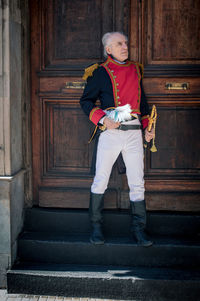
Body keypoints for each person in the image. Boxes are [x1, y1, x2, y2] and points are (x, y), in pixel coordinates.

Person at [80, 32, 155, 247]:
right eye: (119, 44)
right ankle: (95, 227)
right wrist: (102, 119)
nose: (125, 47)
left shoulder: (135, 70)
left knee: (137, 183)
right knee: (101, 180)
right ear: (108, 49)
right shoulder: (100, 72)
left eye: (125, 43)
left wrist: (148, 128)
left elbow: (143, 105)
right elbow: (85, 101)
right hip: (111, 133)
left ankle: (139, 230)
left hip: (133, 133)